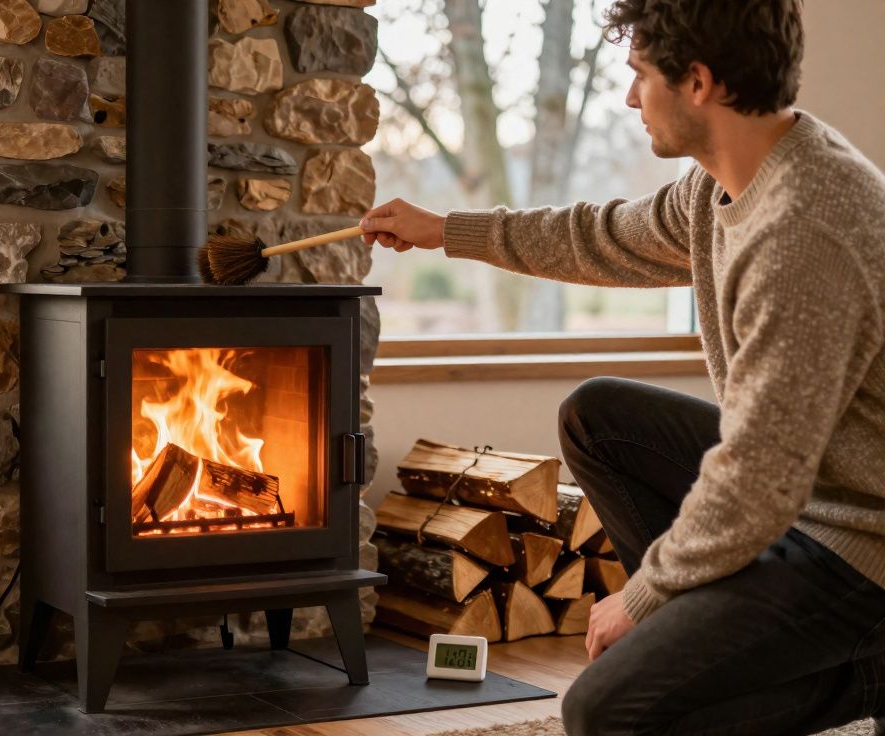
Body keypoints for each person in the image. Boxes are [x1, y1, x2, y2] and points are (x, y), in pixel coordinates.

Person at [360, 1, 885, 733]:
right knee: (598, 416)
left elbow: (761, 475)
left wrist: (646, 598)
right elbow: (598, 236)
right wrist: (447, 231)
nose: (630, 98)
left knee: (607, 710)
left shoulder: (805, 228)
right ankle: (714, 633)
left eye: (640, 76)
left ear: (698, 81)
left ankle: (864, 671)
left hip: (864, 541)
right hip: (807, 495)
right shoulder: (722, 185)